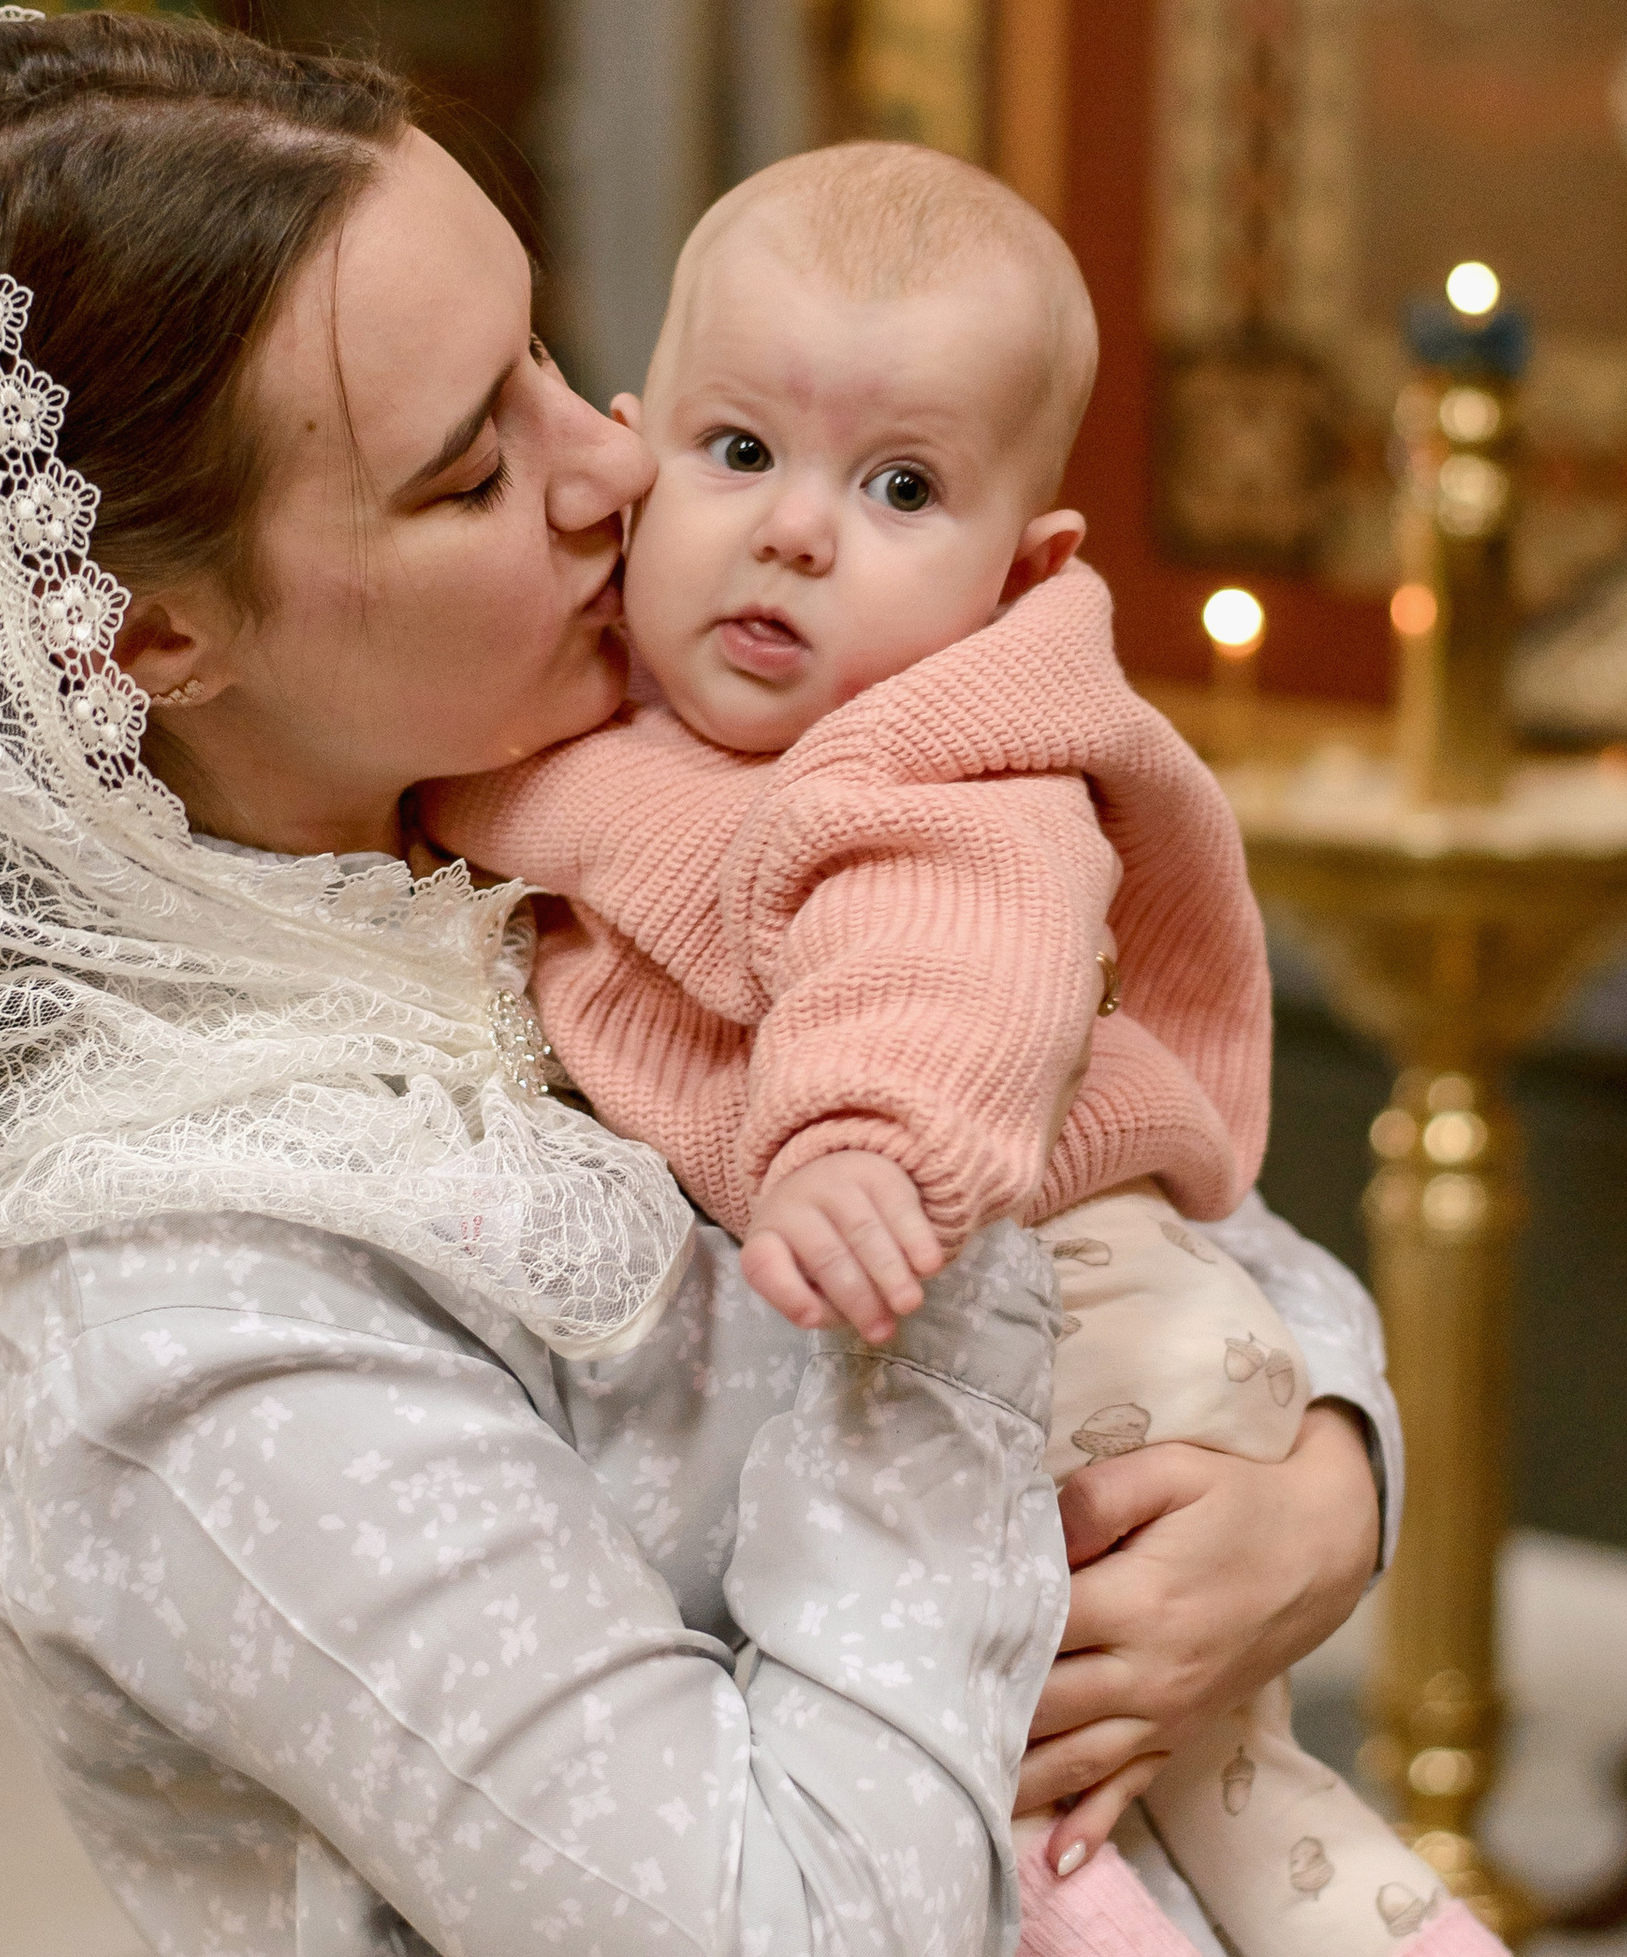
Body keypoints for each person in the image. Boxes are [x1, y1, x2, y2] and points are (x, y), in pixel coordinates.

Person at [0, 3, 1403, 1956]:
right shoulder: (170, 1306)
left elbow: (1145, 1169)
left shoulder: (551, 779)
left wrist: (1319, 1479)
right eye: (475, 464)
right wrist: (939, 1265)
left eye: (551, 355)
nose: (619, 461)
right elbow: (795, 1929)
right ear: (152, 638)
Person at [431, 145, 1489, 1957]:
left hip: (1070, 1311)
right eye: (739, 449)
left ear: (1021, 571)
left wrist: (861, 1140)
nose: (795, 530)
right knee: (1236, 1801)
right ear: (636, 451)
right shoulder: (624, 719)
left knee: (1018, 1755)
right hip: (1063, 1311)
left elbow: (946, 964)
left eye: (901, 487)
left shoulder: (950, 762)